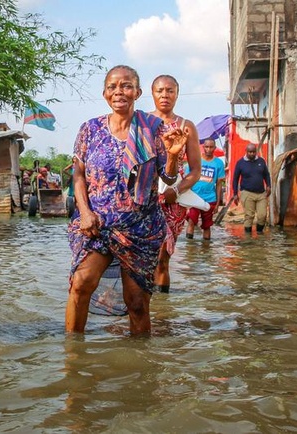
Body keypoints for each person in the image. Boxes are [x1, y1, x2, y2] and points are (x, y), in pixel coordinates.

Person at [66, 65, 186, 336]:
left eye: (127, 85)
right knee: (81, 283)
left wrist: (173, 154)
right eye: (113, 86)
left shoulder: (154, 128)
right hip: (96, 224)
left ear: (138, 92)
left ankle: (140, 369)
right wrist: (85, 212)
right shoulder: (90, 129)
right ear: (105, 93)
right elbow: (78, 175)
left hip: (140, 228)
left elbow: (168, 178)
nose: (119, 91)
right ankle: (72, 357)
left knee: (137, 303)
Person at [149, 75, 201, 293]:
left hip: (173, 200)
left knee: (162, 258)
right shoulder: (142, 121)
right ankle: (138, 310)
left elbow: (195, 171)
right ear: (152, 93)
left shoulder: (186, 126)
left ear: (177, 94)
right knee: (139, 255)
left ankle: (162, 316)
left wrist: (176, 191)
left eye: (170, 91)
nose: (164, 95)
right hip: (145, 197)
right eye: (160, 90)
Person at [186, 139, 225, 240]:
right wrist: (186, 198)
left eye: (211, 147)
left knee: (207, 226)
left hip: (210, 198)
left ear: (214, 148)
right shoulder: (195, 160)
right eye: (206, 147)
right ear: (203, 148)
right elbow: (187, 179)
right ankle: (190, 251)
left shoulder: (219, 163)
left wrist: (218, 202)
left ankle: (206, 250)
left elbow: (219, 184)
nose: (209, 149)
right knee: (191, 221)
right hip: (194, 197)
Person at [231, 143, 271, 234]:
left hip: (261, 193)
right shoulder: (240, 163)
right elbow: (235, 179)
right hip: (247, 192)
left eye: (253, 152)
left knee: (262, 215)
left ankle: (259, 235)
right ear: (246, 151)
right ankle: (248, 239)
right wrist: (235, 194)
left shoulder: (261, 161)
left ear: (256, 151)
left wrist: (268, 185)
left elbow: (266, 174)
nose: (252, 154)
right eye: (250, 152)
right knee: (249, 216)